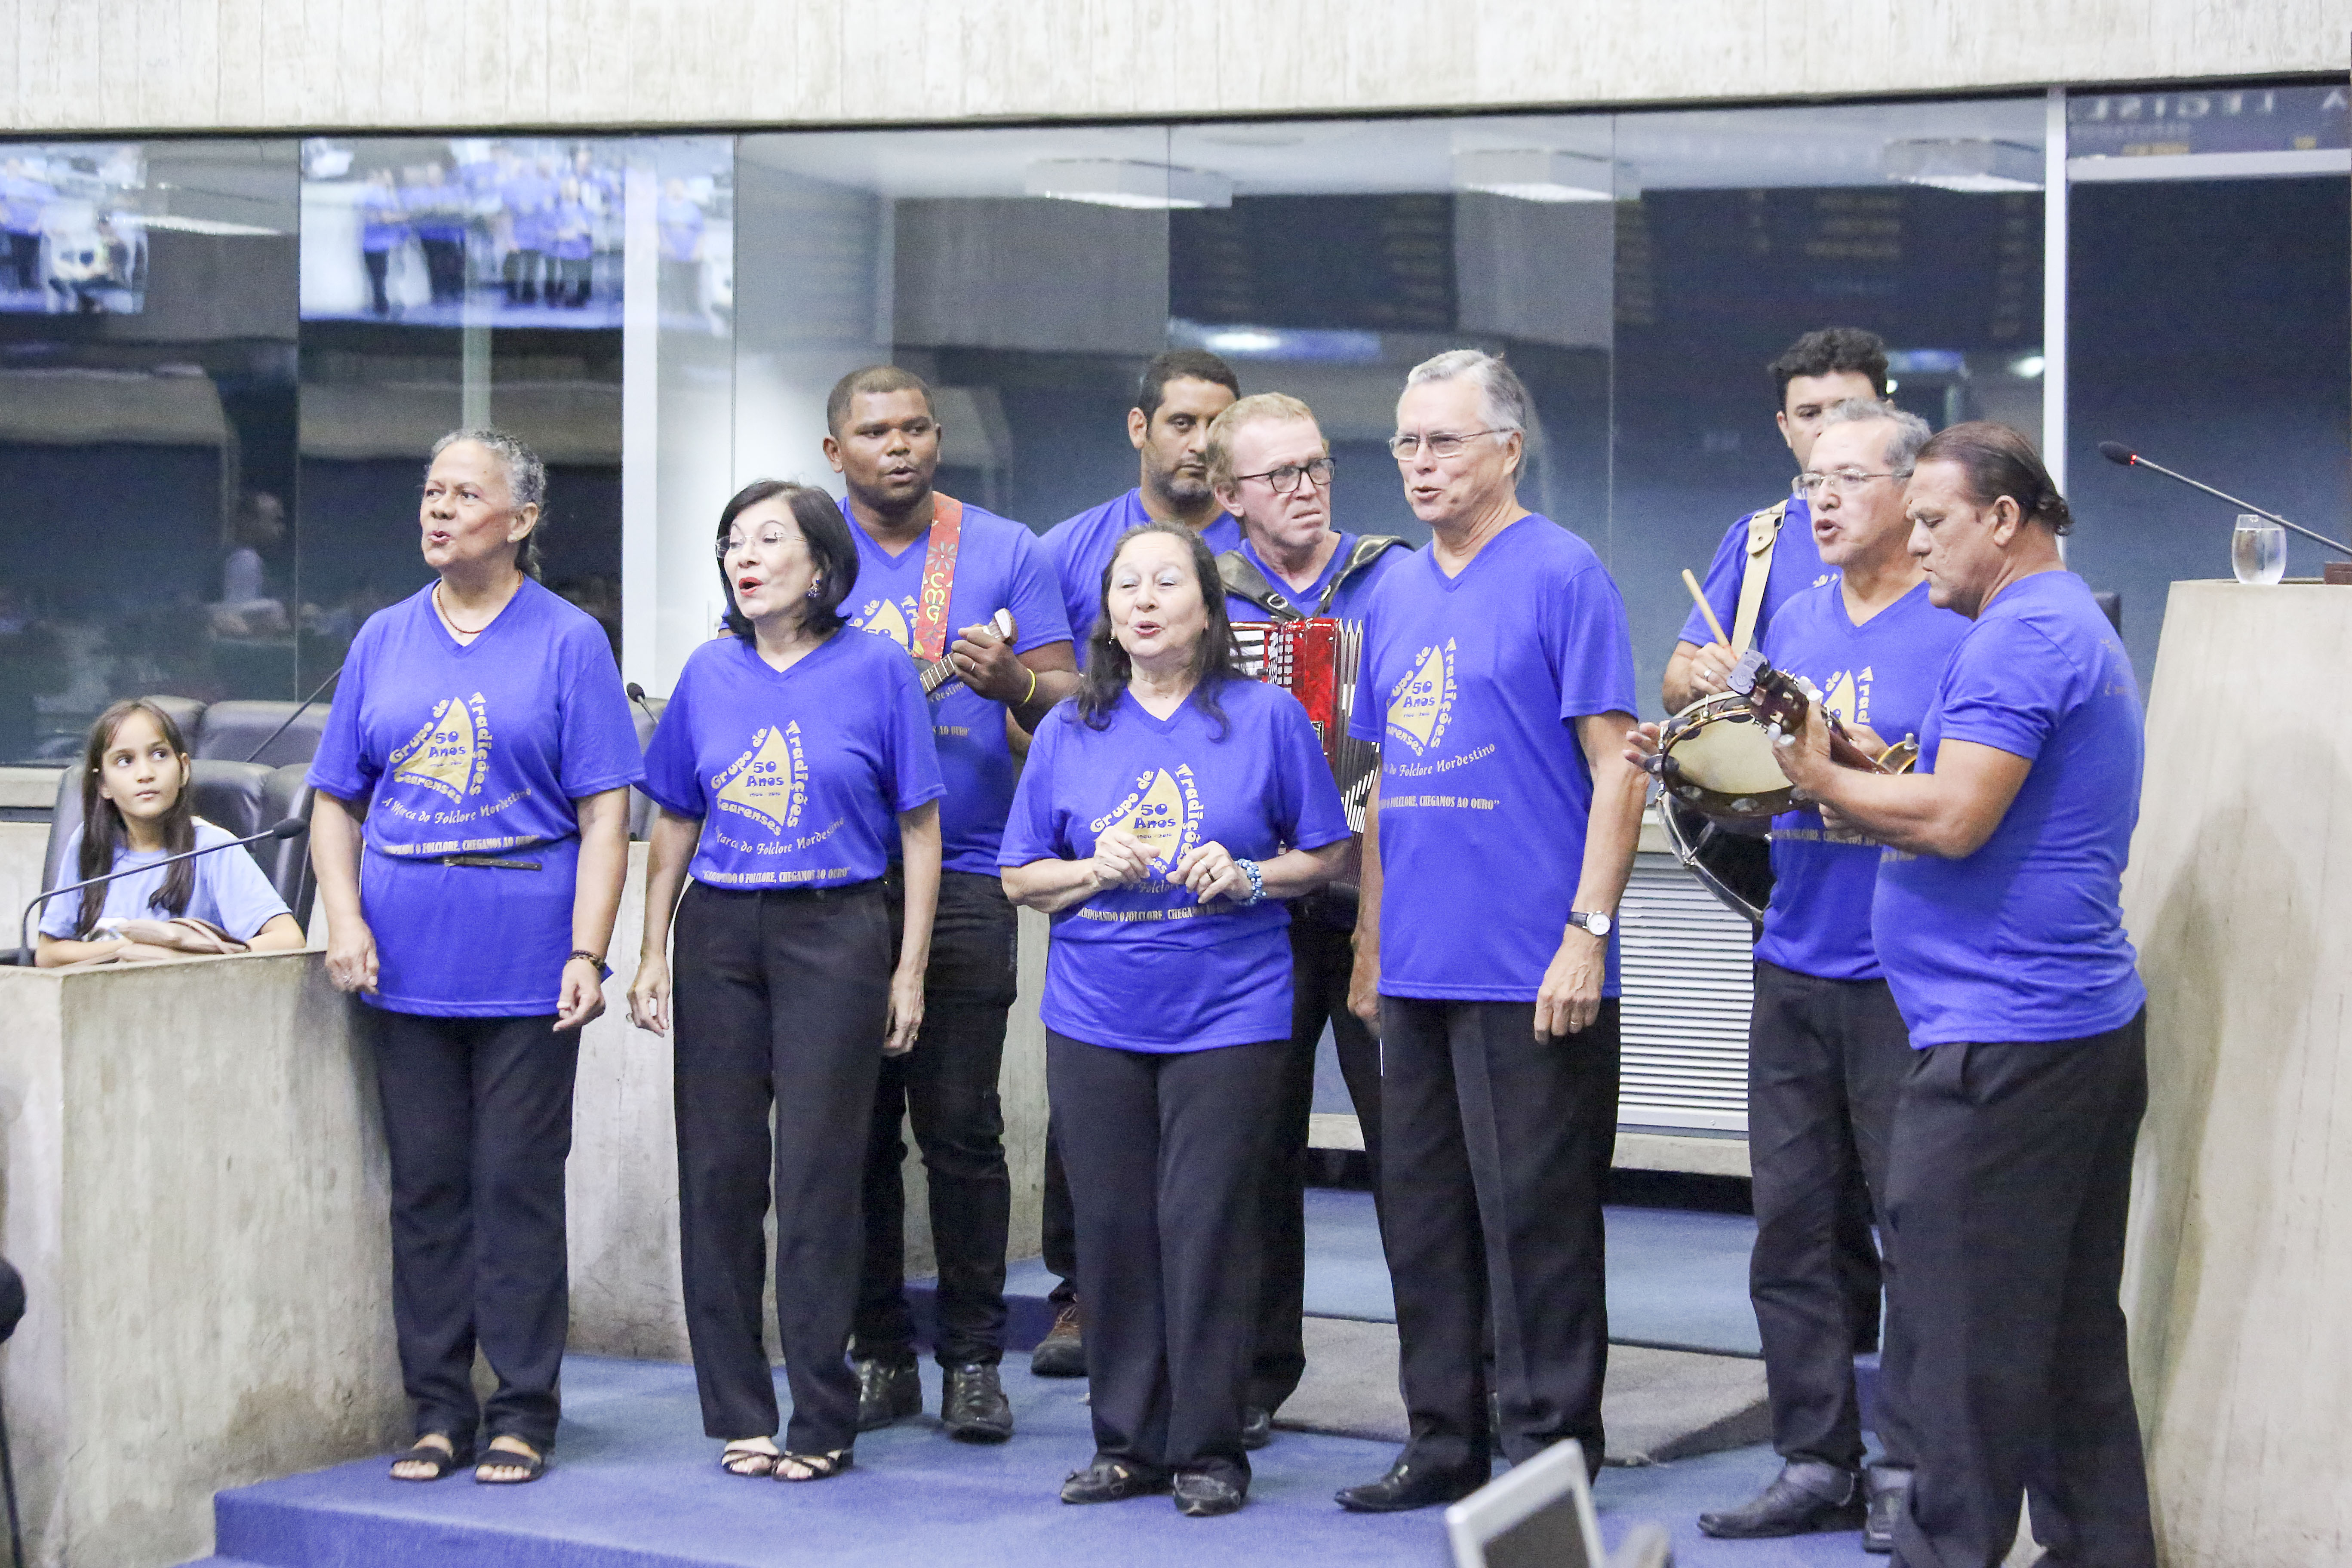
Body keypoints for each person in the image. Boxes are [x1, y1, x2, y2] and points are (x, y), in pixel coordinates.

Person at [1768, 422, 2155, 1568]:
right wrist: (1864, 768)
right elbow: (1961, 791)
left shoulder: (2018, 639)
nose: (1918, 542)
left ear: (2003, 518)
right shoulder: (2056, 620)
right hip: (2064, 1029)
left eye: (1933, 521)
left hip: (2004, 1046)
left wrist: (1817, 774)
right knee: (2067, 1336)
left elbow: (1952, 818)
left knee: (1952, 1349)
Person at [1632, 398, 1961, 1549]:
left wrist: (1855, 771)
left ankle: (1911, 1462)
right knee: (1792, 1227)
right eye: (1811, 480)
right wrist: (1684, 763)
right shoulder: (1793, 623)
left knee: (1913, 1230)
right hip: (1791, 957)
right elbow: (1757, 790)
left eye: (1848, 479)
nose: (1820, 501)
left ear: (1910, 494)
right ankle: (1813, 1454)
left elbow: (1959, 800)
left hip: (1905, 973)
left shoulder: (1955, 625)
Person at [1337, 350, 1647, 1512]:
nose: (1419, 463)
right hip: (1416, 963)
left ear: (1507, 450)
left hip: (1532, 965)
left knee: (1537, 1222)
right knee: (1423, 1215)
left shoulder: (1564, 573)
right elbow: (1381, 781)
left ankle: (1547, 1452)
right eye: (1406, 443)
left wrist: (1587, 932)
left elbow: (1619, 766)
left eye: (1444, 441)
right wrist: (1371, 942)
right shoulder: (1391, 592)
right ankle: (1441, 1437)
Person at [307, 429, 643, 1486]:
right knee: (427, 1189)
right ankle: (439, 1408)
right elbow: (334, 801)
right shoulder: (383, 636)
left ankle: (523, 1408)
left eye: (463, 493)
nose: (438, 509)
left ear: (522, 518)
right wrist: (345, 919)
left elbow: (605, 812)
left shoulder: (570, 639)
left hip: (529, 956)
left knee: (515, 1185)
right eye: (430, 491)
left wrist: (589, 947)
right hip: (402, 959)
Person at [1000, 520, 1350, 1517]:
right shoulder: (1070, 727)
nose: (1143, 600)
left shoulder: (1266, 717)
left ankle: (1209, 1446)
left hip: (1230, 1016)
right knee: (1112, 1233)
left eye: (1166, 582)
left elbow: (1326, 854)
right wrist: (1090, 868)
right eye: (1126, 585)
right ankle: (1126, 1443)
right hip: (1094, 1014)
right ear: (1108, 613)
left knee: (1208, 1227)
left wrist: (1248, 874)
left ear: (1208, 607)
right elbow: (1020, 874)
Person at [627, 480, 943, 1485]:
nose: (745, 556)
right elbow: (674, 817)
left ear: (820, 565)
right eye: (733, 541)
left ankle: (821, 1411)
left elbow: (919, 827)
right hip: (720, 931)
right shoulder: (706, 671)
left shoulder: (878, 666)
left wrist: (909, 966)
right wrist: (650, 947)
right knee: (719, 1174)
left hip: (836, 928)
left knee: (818, 1176)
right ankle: (738, 1408)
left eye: (769, 539)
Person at [818, 364, 1078, 1443]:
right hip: (830, 875)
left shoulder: (1006, 550)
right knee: (854, 1132)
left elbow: (1073, 709)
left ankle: (973, 1359)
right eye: (877, 430)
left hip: (970, 867)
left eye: (918, 427)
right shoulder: (803, 543)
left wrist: (1013, 684)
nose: (901, 445)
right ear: (835, 451)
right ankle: (879, 1353)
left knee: (962, 1127)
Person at [1661, 325, 1894, 1373]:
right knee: (1801, 1204)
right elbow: (1683, 680)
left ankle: (1914, 1427)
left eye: (1850, 415)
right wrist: (1710, 682)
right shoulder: (1765, 554)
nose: (1827, 442)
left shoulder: (1942, 572)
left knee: (1915, 1198)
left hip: (1911, 934)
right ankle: (1818, 1429)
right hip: (1792, 910)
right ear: (1783, 431)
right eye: (1810, 419)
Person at [1028, 346, 1241, 1378]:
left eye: (1218, 425)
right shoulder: (1069, 549)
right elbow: (1048, 703)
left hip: (1238, 885)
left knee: (1226, 1146)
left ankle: (1225, 1343)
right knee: (1093, 1109)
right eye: (1183, 422)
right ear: (1139, 427)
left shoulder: (1256, 543)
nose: (1201, 443)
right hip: (1100, 883)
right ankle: (1081, 1294)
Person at [1205, 391, 1411, 1448]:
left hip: (1384, 896)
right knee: (1250, 1151)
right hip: (1254, 909)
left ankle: (1452, 1384)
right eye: (1278, 473)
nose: (1305, 487)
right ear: (1228, 495)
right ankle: (1249, 1375)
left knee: (1415, 1152)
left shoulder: (1397, 579)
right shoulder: (1202, 594)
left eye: (1316, 465)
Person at [36, 698, 304, 965]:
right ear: (103, 784)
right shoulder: (89, 843)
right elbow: (48, 955)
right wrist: (133, 949)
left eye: (159, 755)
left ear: (184, 769)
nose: (145, 773)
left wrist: (193, 954)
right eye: (125, 761)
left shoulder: (213, 847)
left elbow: (289, 939)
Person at [357, 169, 408, 317]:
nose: (390, 180)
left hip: (377, 244)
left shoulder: (383, 195)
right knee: (381, 279)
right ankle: (383, 309)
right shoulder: (376, 195)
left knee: (379, 279)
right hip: (379, 245)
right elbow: (383, 218)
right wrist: (405, 217)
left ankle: (382, 308)